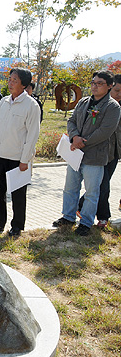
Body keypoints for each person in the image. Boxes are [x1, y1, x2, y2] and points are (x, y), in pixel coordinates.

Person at [53, 70, 121, 236]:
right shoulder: (83, 101)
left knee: (91, 192)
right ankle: (68, 217)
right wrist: (75, 136)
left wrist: (82, 142)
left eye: (100, 83)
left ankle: (85, 223)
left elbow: (105, 131)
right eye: (93, 83)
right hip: (75, 153)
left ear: (109, 86)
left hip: (95, 155)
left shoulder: (113, 107)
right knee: (70, 187)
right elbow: (72, 120)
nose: (95, 86)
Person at [0, 68, 40, 237]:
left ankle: (17, 226)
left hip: (17, 158)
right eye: (9, 79)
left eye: (14, 80)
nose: (10, 82)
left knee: (18, 194)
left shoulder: (31, 105)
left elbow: (32, 135)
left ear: (24, 84)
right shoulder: (4, 101)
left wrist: (25, 160)